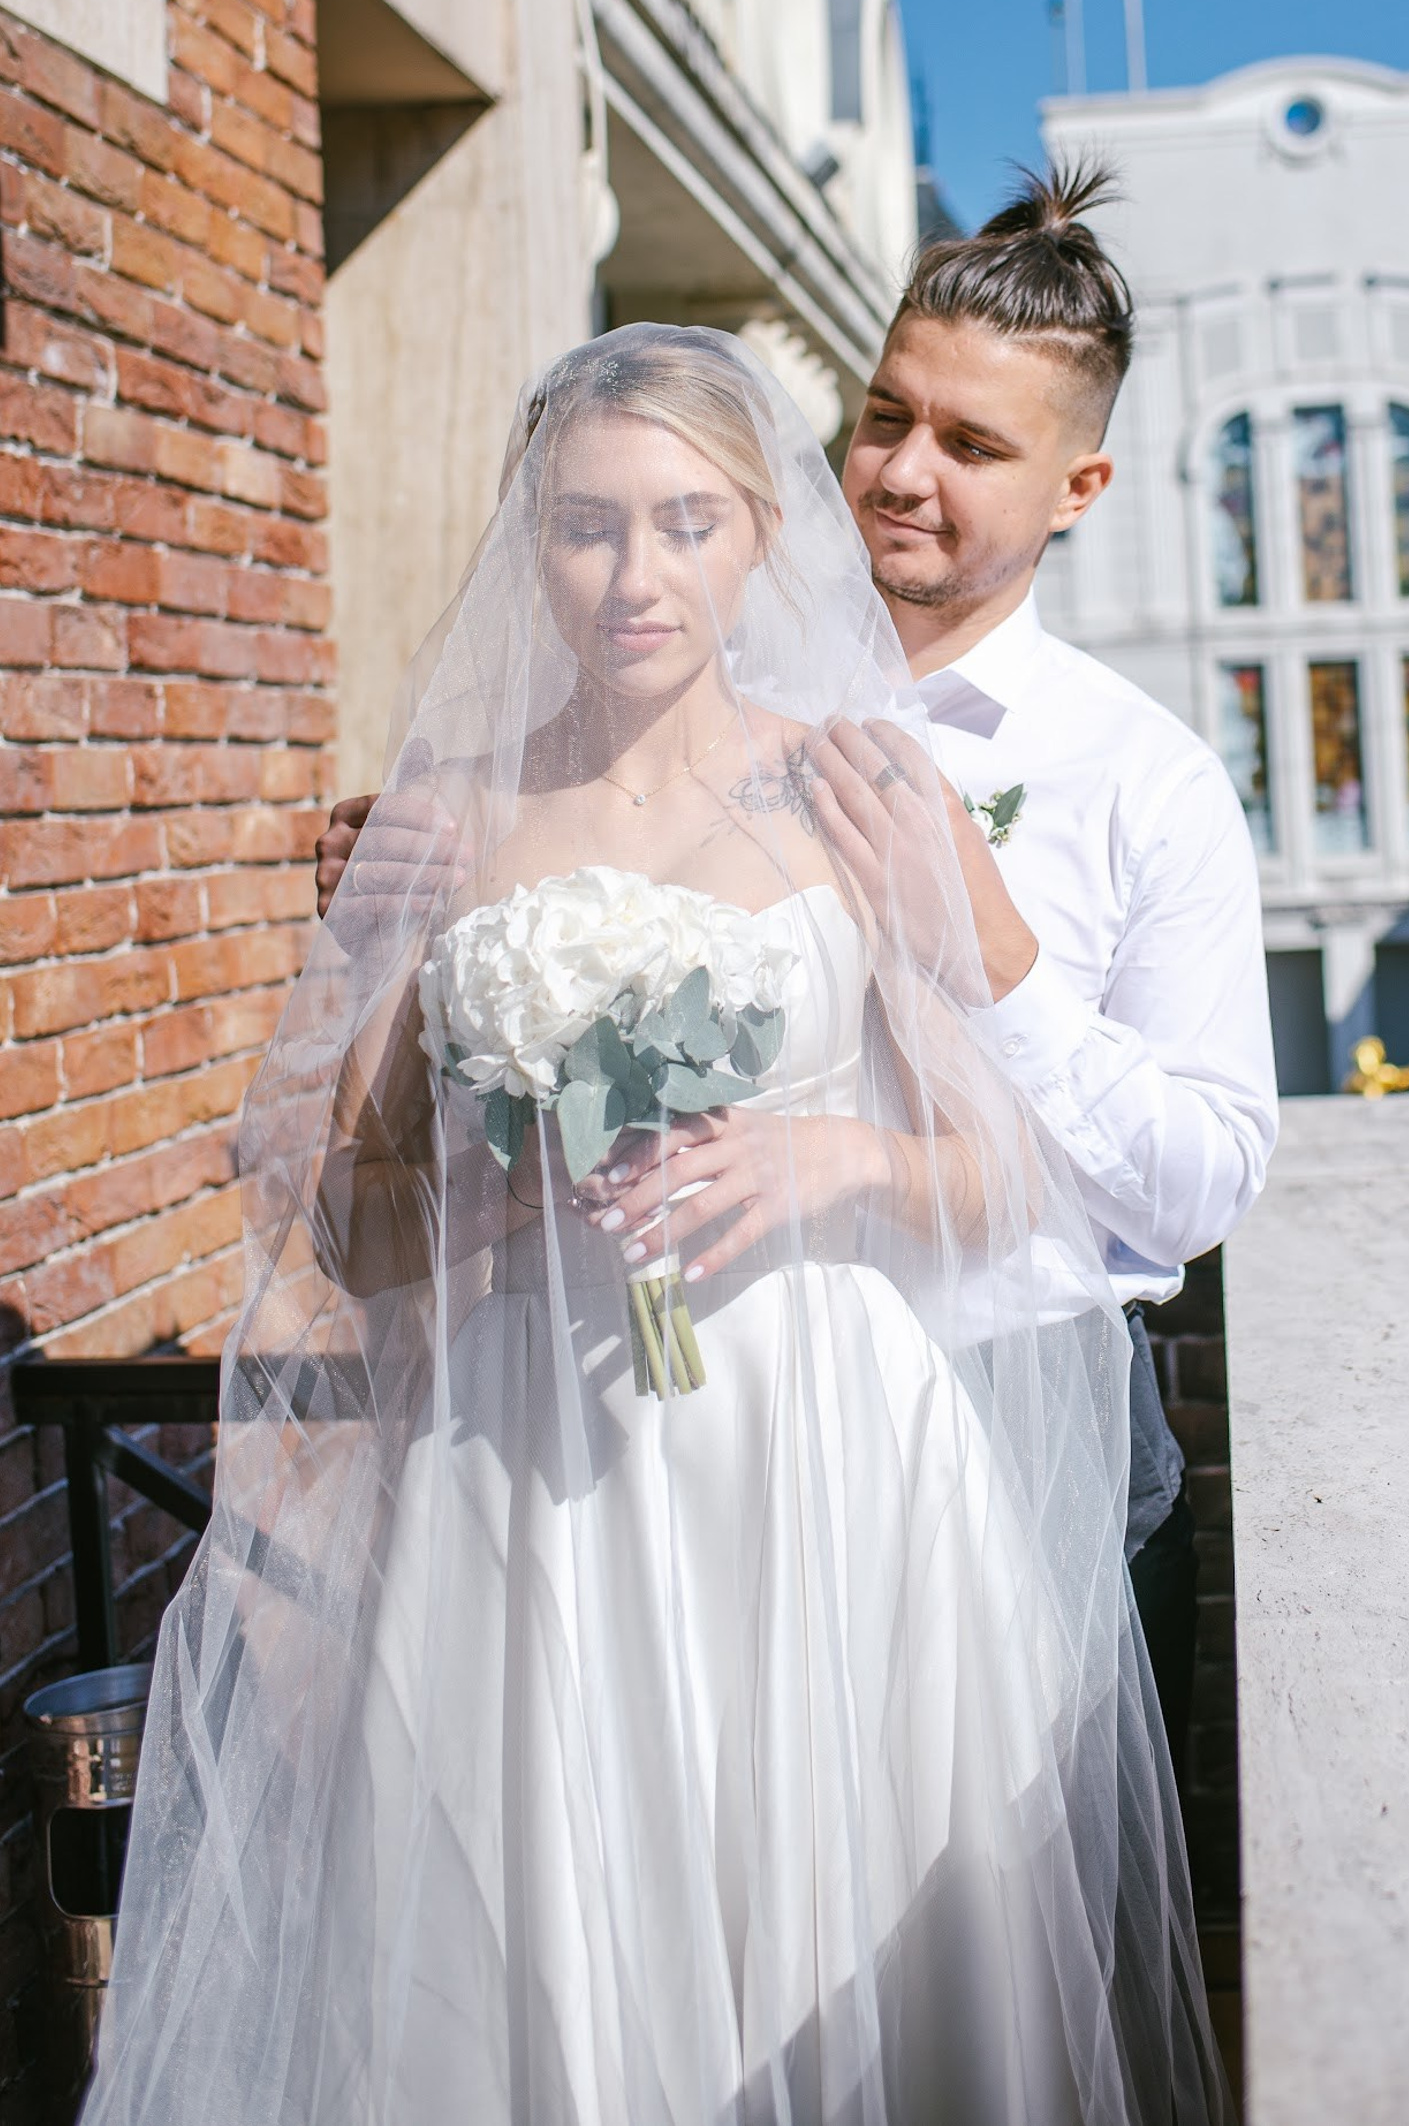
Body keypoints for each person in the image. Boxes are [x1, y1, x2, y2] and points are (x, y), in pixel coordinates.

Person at [88, 327, 1225, 2125]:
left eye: (685, 523)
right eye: (585, 528)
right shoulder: (450, 819)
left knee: (847, 1957)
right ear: (529, 547)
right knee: (542, 1990)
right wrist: (501, 1165)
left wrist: (831, 1170)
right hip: (524, 1478)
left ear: (760, 536)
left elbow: (1013, 1168)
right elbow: (351, 1237)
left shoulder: (851, 793)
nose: (634, 577)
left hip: (824, 1466)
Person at [316, 164, 1277, 1775]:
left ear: (1081, 487)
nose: (903, 473)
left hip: (1010, 1413)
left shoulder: (1142, 777)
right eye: (888, 417)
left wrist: (996, 954)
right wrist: (435, 896)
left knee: (1009, 1941)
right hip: (655, 1420)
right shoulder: (671, 667)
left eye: (974, 447)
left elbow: (1201, 1183)